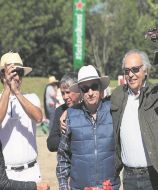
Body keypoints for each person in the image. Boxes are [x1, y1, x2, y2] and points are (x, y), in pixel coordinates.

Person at [110, 49, 158, 190]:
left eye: (135, 69)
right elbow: (96, 105)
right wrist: (66, 110)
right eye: (126, 71)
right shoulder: (117, 95)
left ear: (145, 71)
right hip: (129, 177)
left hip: (155, 175)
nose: (130, 75)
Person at [56, 65, 120, 190]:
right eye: (85, 89)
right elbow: (63, 156)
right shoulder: (70, 115)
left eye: (94, 87)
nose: (90, 93)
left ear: (100, 87)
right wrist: (63, 186)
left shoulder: (114, 110)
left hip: (110, 186)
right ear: (80, 91)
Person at [0, 52, 47, 187]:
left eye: (19, 72)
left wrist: (17, 93)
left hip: (31, 170)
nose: (16, 77)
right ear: (3, 75)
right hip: (6, 173)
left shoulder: (31, 97)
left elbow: (38, 118)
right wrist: (7, 89)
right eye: (11, 72)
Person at [47, 72, 80, 152]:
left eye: (68, 92)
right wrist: (66, 137)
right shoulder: (60, 111)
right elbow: (51, 143)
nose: (65, 97)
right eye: (62, 93)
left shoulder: (89, 108)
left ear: (78, 90)